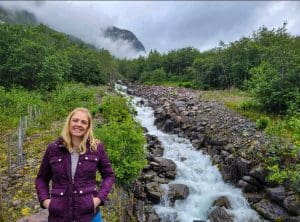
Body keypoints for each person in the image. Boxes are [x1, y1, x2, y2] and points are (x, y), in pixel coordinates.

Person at [35, 107, 115, 222]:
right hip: (59, 216)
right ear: (69, 122)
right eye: (75, 120)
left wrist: (98, 199)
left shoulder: (96, 148)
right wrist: (45, 201)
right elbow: (41, 179)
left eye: (84, 122)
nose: (79, 124)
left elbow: (109, 175)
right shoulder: (53, 148)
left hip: (89, 215)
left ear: (88, 126)